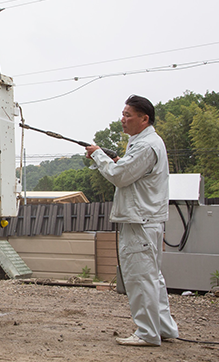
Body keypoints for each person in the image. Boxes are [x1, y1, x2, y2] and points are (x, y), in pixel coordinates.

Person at [85, 95, 178, 347]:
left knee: (140, 278)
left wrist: (98, 156)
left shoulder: (147, 145)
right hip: (145, 220)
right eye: (123, 114)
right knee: (152, 277)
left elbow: (120, 175)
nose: (123, 119)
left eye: (128, 115)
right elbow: (127, 169)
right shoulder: (143, 143)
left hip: (140, 222)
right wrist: (112, 159)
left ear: (144, 119)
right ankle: (163, 328)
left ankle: (147, 333)